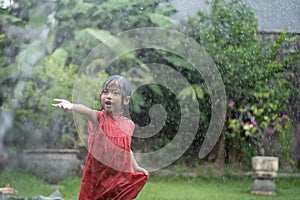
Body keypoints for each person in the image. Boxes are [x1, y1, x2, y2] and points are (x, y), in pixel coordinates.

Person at [52, 75, 149, 200]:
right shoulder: (99, 118)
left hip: (118, 177)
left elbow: (126, 149)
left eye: (115, 93)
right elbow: (86, 111)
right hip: (98, 176)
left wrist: (135, 167)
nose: (109, 96)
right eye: (105, 92)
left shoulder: (129, 125)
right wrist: (72, 106)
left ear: (126, 100)